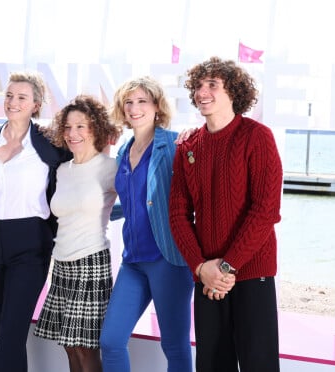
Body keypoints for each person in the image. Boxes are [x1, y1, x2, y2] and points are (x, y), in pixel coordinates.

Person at [169, 56, 283, 371]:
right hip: (206, 275)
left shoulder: (257, 137)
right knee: (211, 363)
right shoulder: (187, 146)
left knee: (258, 364)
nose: (202, 93)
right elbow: (178, 215)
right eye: (198, 86)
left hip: (251, 272)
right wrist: (201, 267)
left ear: (232, 91)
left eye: (212, 85)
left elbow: (265, 211)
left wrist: (227, 267)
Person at [0, 71, 72, 372]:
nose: (13, 102)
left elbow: (80, 166)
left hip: (31, 243)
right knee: (2, 331)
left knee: (11, 334)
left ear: (36, 105)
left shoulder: (49, 142)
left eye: (22, 97)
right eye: (9, 96)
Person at [99, 76, 195, 372]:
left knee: (174, 345)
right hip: (134, 262)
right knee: (111, 341)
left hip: (169, 260)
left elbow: (194, 197)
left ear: (156, 106)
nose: (134, 108)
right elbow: (133, 205)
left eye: (142, 101)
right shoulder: (124, 151)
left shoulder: (175, 144)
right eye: (128, 102)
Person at [33, 94, 122, 372]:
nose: (73, 134)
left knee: (86, 348)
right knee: (70, 346)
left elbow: (137, 205)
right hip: (61, 265)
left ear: (95, 128)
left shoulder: (110, 168)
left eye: (81, 126)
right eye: (68, 127)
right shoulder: (62, 170)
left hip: (91, 262)